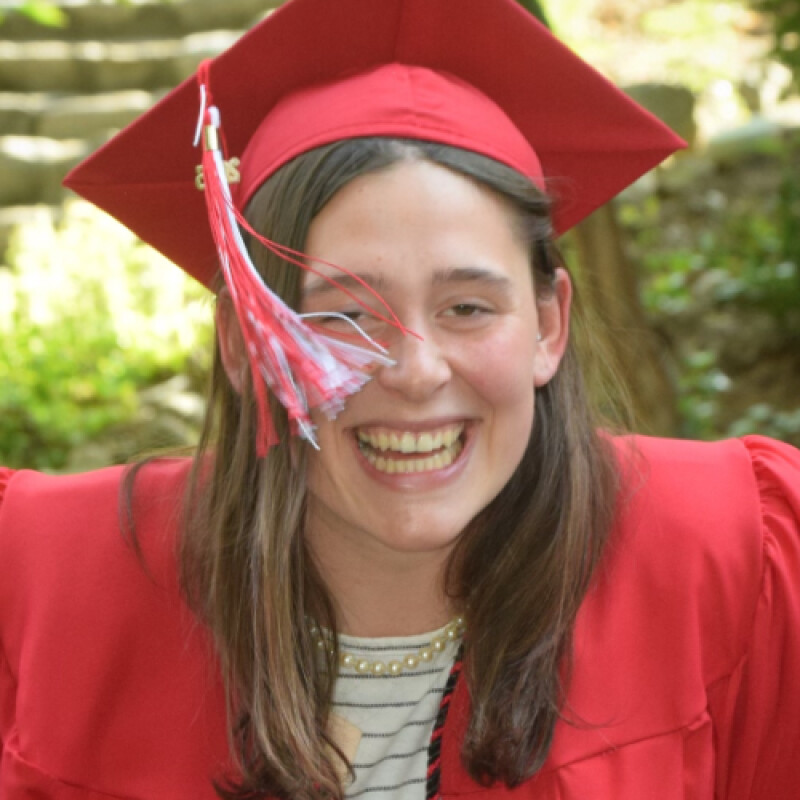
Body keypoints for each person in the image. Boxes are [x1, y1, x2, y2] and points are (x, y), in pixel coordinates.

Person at [1, 0, 798, 798]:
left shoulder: (730, 562)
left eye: (467, 307)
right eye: (343, 317)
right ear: (244, 347)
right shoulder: (44, 591)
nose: (415, 371)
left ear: (549, 325)